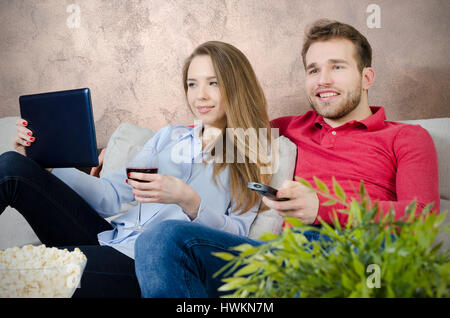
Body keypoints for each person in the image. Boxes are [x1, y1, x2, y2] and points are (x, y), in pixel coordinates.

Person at [133, 19, 440, 297]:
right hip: (275, 257)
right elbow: (218, 128)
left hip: (355, 253)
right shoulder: (287, 128)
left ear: (366, 77)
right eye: (314, 70)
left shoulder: (405, 137)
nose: (323, 80)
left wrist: (322, 208)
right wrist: (132, 151)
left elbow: (422, 216)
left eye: (337, 67)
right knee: (161, 239)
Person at [0, 41, 275, 297]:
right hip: (109, 236)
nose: (199, 95)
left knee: (23, 271)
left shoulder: (250, 152)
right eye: (192, 84)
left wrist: (189, 200)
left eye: (213, 83)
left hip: (149, 264)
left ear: (236, 86)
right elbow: (110, 196)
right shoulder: (169, 136)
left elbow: (235, 238)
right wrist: (50, 168)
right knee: (13, 165)